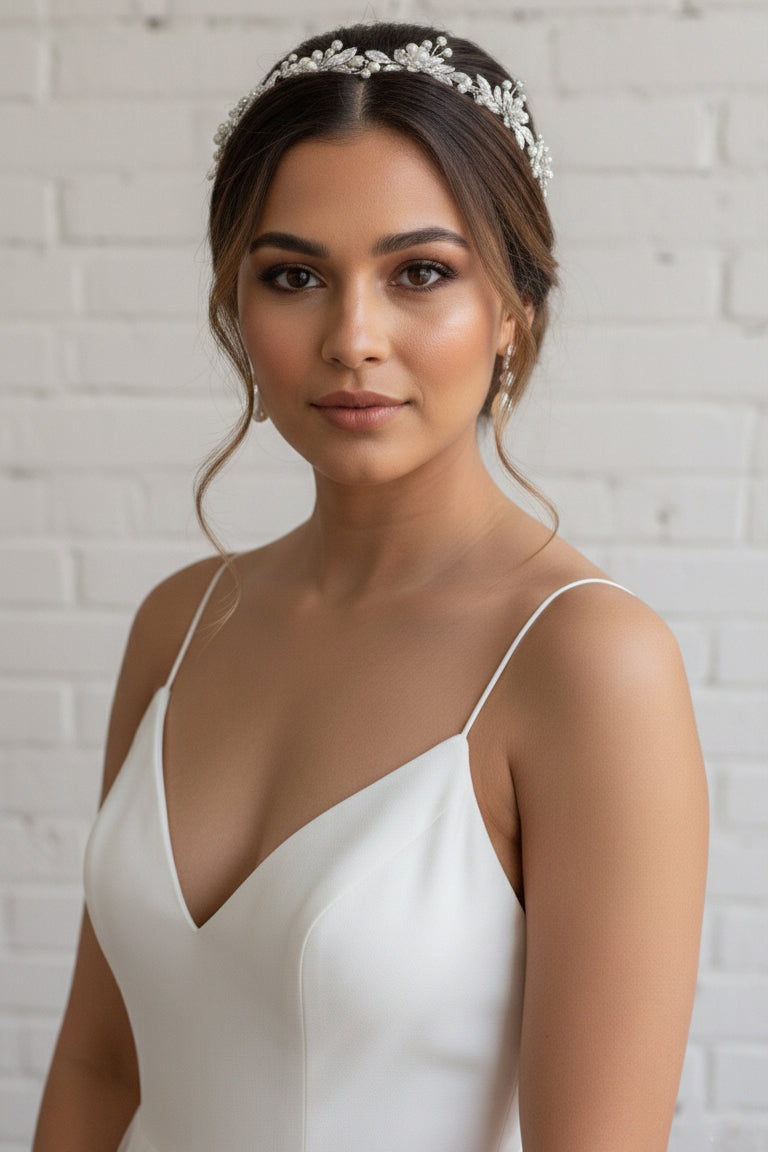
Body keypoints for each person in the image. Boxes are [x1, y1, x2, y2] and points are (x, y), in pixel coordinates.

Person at [33, 21, 709, 1152]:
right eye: (294, 276)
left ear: (513, 308)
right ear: (238, 307)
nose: (353, 337)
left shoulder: (587, 664)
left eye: (420, 274)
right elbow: (101, 1066)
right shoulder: (181, 623)